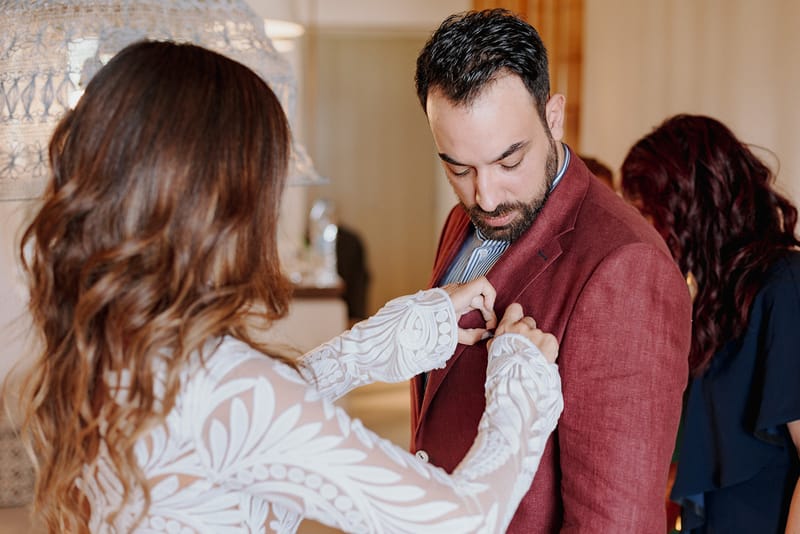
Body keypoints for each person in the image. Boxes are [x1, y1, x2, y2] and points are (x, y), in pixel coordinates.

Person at [15, 40, 565, 533]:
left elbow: (250, 412)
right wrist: (519, 379)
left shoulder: (111, 345)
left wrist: (387, 338)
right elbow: (460, 520)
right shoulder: (227, 386)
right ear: (225, 205)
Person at [410, 9, 693, 532]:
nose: (485, 196)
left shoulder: (627, 268)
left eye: (509, 161)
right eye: (459, 168)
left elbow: (615, 522)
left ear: (553, 116)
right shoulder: (459, 221)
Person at [621, 113, 800, 534]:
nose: (644, 232)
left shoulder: (786, 286)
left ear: (689, 209)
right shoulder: (716, 309)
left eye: (648, 213)